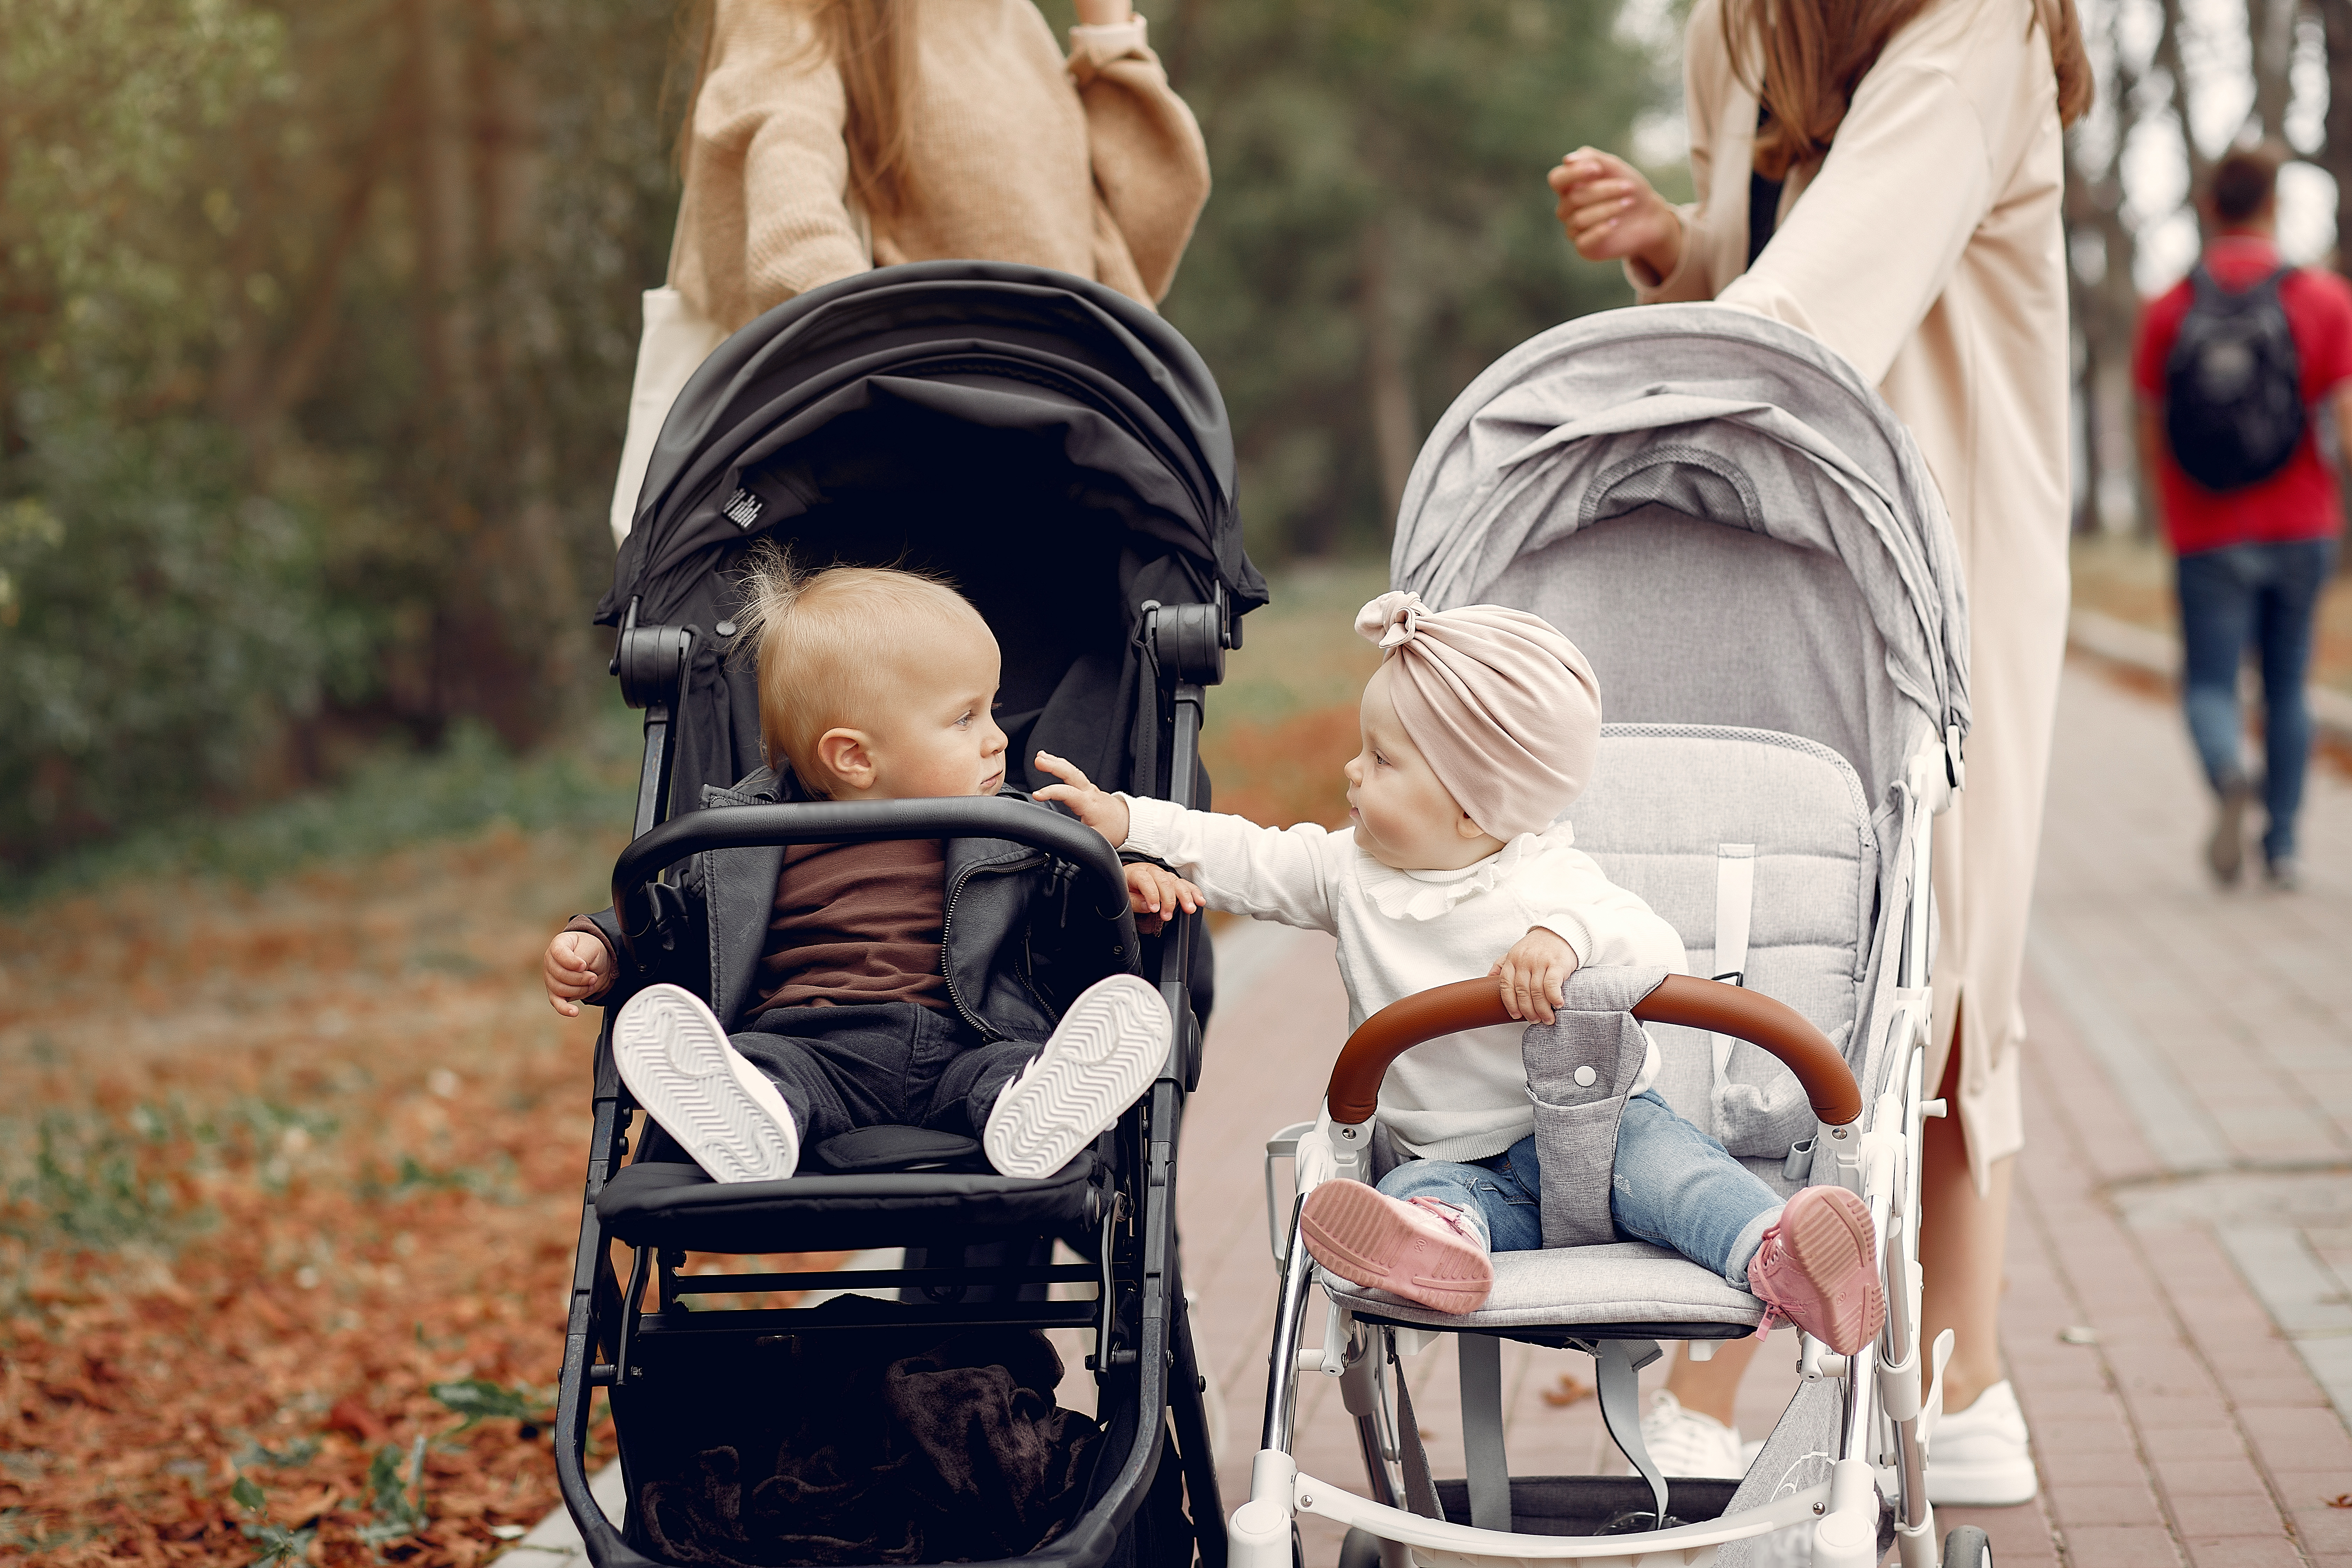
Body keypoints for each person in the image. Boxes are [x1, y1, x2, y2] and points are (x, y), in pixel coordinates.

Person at [1545, 0, 2092, 1505]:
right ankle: (1960, 1374)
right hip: (1793, 533)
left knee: (1942, 919)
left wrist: (1581, 414)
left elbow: (1827, 303)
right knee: (1807, 902)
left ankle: (1785, 1361)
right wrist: (1673, 248)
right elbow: (1758, 267)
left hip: (1943, 534)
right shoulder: (1749, 32)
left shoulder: (1982, 26)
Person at [1034, 592, 1888, 1354]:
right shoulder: (1347, 873)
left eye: (1382, 759)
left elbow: (1653, 944)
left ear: (1475, 803)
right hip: (1464, 1162)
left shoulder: (1545, 881)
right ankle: (1433, 1242)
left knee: (1680, 1177)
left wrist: (1564, 939)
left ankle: (1778, 1253)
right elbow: (1247, 856)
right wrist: (1128, 819)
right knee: (1420, 1187)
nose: (1351, 772)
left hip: (1599, 1130)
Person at [541, 554, 1186, 1183]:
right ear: (854, 758)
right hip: (808, 1046)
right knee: (761, 1069)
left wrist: (1121, 886)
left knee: (1007, 1070)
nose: (998, 738)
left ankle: (1032, 1105)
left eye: (991, 709)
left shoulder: (1008, 832)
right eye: (965, 719)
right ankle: (752, 1120)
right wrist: (604, 944)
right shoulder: (745, 838)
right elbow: (676, 918)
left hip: (966, 1043)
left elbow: (1061, 906)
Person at [673, 0, 1211, 329]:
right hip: (912, 463)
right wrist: (880, 358)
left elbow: (1138, 246)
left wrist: (1110, 33)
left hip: (1063, 457)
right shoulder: (810, 9)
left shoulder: (1015, 21)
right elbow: (787, 211)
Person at [2133, 144, 2352, 892]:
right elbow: (2345, 419)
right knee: (2289, 685)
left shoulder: (2168, 309)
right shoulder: (2324, 301)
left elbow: (2151, 424)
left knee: (2210, 684)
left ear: (2208, 205)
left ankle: (2229, 770)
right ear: (2274, 205)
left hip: (2205, 529)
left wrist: (2169, 504)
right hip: (2301, 521)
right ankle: (2282, 844)